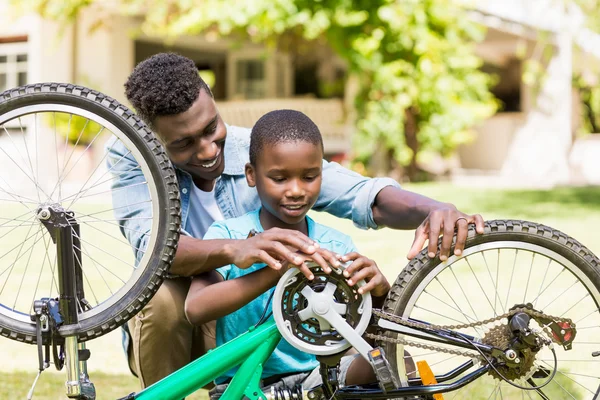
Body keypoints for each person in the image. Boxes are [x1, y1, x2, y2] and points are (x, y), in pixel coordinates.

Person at [106, 52, 484, 388]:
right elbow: (155, 251)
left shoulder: (258, 147)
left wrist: (435, 209)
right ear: (152, 140)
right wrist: (240, 249)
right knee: (160, 299)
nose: (207, 150)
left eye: (210, 129)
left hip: (286, 340)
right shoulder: (133, 158)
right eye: (184, 144)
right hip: (200, 315)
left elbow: (363, 196)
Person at [184, 109, 392, 397]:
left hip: (318, 378)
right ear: (251, 175)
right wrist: (277, 271)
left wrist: (379, 292)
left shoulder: (337, 245)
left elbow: (366, 335)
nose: (296, 191)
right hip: (243, 384)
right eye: (279, 178)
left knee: (392, 364)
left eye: (309, 177)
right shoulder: (229, 234)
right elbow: (196, 308)